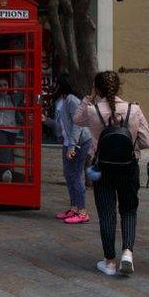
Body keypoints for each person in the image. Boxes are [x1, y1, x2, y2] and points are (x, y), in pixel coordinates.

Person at [74, 71, 149, 277]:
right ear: (118, 87)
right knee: (128, 210)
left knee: (106, 214)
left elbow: (76, 119)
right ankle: (127, 252)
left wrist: (89, 97)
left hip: (103, 168)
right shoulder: (134, 109)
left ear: (97, 89)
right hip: (128, 167)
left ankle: (109, 262)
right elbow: (147, 142)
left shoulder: (92, 111)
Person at [52, 74, 92, 224]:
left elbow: (78, 124)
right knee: (68, 175)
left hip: (79, 142)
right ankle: (74, 208)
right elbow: (61, 123)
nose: (54, 85)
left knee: (75, 175)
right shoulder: (60, 100)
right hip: (68, 142)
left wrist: (72, 145)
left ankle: (82, 211)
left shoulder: (72, 100)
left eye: (56, 83)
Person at [0, 77, 20, 182]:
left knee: (7, 154)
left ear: (8, 87)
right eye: (0, 85)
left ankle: (0, 175)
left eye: (5, 85)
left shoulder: (13, 98)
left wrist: (18, 71)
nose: (3, 87)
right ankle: (6, 174)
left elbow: (23, 86)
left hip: (12, 130)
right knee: (4, 152)